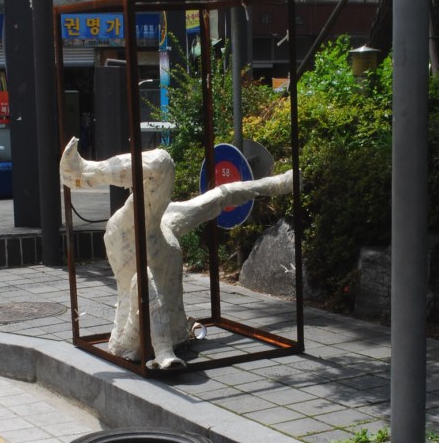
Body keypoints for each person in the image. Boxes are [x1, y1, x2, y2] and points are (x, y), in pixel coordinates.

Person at [60, 137, 295, 369]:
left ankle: (83, 172)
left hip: (169, 333)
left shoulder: (167, 217)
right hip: (132, 339)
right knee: (162, 163)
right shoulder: (130, 227)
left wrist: (279, 183)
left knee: (170, 170)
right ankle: (83, 172)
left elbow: (225, 194)